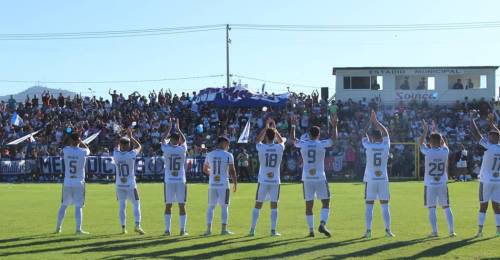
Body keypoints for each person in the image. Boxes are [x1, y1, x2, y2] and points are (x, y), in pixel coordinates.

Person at [289, 113, 337, 238]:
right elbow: (334, 140)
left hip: (307, 178)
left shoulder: (303, 143)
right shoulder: (321, 144)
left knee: (309, 205)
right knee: (326, 203)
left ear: (309, 134)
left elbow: (292, 140)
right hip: (320, 177)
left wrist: (293, 125)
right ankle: (322, 224)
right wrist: (334, 126)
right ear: (318, 135)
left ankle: (311, 231)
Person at [249, 118, 285, 237]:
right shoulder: (279, 147)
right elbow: (281, 142)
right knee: (274, 205)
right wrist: (275, 129)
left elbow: (257, 140)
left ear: (266, 137)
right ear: (274, 137)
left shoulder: (262, 147)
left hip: (263, 180)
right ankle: (273, 231)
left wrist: (265, 128)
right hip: (275, 180)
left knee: (258, 204)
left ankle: (252, 230)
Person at [419, 120, 456, 237]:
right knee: (446, 207)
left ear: (430, 142)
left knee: (431, 208)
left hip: (430, 184)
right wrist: (435, 130)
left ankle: (435, 231)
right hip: (442, 183)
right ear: (440, 142)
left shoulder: (427, 151)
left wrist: (426, 130)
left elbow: (420, 142)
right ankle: (451, 231)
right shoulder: (445, 151)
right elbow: (443, 143)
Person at [361, 110, 395, 239]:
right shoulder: (386, 145)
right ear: (381, 137)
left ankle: (368, 231)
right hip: (383, 179)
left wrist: (370, 122)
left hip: (370, 179)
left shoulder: (368, 145)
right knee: (385, 205)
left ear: (373, 137)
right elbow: (386, 131)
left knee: (369, 205)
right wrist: (376, 122)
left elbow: (363, 133)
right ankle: (388, 230)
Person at [470, 113, 500, 237]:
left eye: (490, 135)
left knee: (483, 206)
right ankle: (498, 230)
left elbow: (475, 133)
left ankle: (480, 231)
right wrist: (492, 124)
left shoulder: (488, 146)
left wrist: (471, 119)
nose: (488, 137)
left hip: (486, 180)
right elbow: (497, 133)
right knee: (497, 207)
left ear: (492, 138)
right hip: (498, 181)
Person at [55, 132, 91, 235]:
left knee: (64, 205)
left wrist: (71, 138)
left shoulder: (66, 150)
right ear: (79, 140)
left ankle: (58, 227)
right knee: (78, 206)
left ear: (71, 140)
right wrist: (81, 142)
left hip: (67, 181)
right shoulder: (83, 151)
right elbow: (88, 150)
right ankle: (78, 229)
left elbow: (65, 145)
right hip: (79, 182)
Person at [203, 136, 238, 236]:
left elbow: (205, 169)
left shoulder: (209, 154)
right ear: (223, 143)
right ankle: (223, 229)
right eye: (227, 144)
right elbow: (232, 171)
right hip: (223, 184)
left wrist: (212, 174)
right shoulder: (228, 155)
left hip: (212, 184)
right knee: (224, 207)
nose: (228, 146)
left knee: (210, 206)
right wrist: (235, 183)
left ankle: (208, 230)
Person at [113, 128, 145, 235]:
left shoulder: (116, 154)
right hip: (131, 185)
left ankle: (123, 228)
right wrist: (131, 137)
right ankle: (137, 225)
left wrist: (120, 138)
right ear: (128, 145)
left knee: (122, 206)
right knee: (136, 204)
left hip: (119, 185)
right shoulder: (131, 154)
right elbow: (139, 146)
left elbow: (116, 147)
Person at [161, 118, 189, 236]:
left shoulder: (166, 148)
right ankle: (182, 230)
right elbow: (185, 140)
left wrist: (169, 128)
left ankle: (167, 230)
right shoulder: (182, 149)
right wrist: (178, 129)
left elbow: (163, 140)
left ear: (171, 140)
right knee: (182, 205)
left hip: (169, 180)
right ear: (178, 140)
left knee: (168, 205)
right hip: (181, 180)